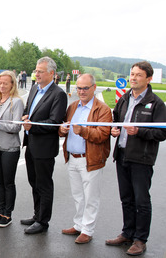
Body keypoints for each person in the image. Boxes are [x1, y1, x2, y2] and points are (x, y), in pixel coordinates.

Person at [106, 61, 166, 256]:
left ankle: (140, 240)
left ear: (148, 79)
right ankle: (127, 233)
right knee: (126, 198)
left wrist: (140, 131)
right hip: (122, 153)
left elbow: (162, 133)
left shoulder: (156, 103)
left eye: (138, 75)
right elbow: (116, 119)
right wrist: (114, 130)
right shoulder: (124, 99)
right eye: (132, 74)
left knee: (141, 200)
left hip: (142, 158)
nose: (133, 78)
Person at [58, 74, 112, 244]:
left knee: (90, 197)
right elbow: (62, 130)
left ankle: (88, 230)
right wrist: (62, 130)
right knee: (78, 196)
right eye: (79, 88)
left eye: (85, 88)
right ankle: (79, 224)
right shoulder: (73, 106)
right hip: (72, 158)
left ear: (94, 88)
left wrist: (83, 131)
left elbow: (103, 135)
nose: (81, 91)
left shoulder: (102, 110)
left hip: (90, 159)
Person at [21, 56, 67, 234]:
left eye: (40, 71)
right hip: (30, 145)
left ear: (52, 73)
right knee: (34, 182)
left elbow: (55, 121)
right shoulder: (34, 89)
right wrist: (25, 117)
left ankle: (43, 221)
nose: (36, 74)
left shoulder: (59, 94)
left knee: (44, 185)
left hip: (44, 148)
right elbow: (27, 111)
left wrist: (32, 125)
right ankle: (36, 214)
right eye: (36, 70)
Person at [0, 70, 23, 228]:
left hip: (10, 148)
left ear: (12, 85)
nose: (1, 86)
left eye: (5, 83)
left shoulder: (17, 102)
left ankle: (8, 214)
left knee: (8, 182)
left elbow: (16, 127)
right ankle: (1, 212)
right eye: (0, 83)